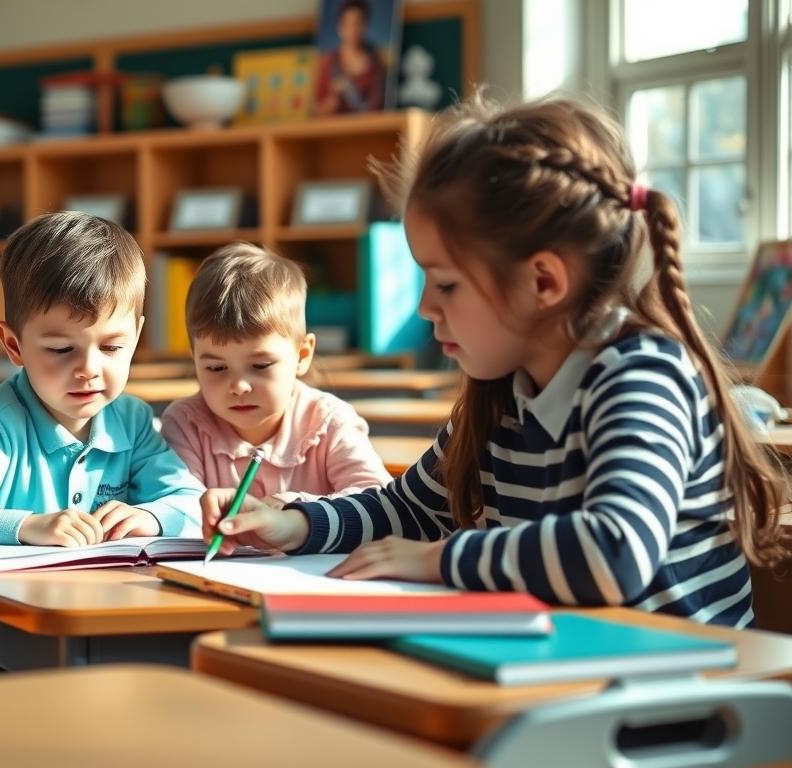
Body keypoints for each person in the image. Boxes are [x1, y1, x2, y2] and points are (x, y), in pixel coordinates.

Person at [202, 96, 789, 626]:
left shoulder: (640, 376)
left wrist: (439, 560)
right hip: (563, 668)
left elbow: (615, 553)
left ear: (542, 281)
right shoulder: (503, 388)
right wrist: (293, 523)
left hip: (675, 696)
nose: (427, 308)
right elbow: (407, 509)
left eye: (446, 284)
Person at [0, 212, 202, 549]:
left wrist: (153, 517)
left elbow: (194, 504)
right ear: (14, 346)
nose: (89, 369)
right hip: (14, 599)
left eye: (112, 347)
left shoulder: (132, 421)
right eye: (61, 349)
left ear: (136, 338)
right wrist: (27, 526)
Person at [161, 242, 390, 504]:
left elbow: (376, 500)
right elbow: (177, 503)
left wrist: (292, 510)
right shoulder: (185, 424)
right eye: (216, 368)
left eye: (260, 365)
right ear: (195, 362)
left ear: (302, 355)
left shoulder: (329, 422)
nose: (239, 386)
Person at [316, 0, 388, 114]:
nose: (353, 30)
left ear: (365, 26)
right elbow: (317, 109)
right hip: (335, 129)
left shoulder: (377, 65)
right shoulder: (329, 63)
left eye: (358, 23)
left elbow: (380, 107)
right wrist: (333, 98)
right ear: (340, 27)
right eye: (348, 24)